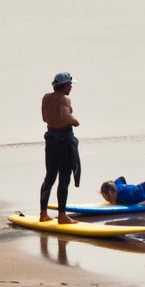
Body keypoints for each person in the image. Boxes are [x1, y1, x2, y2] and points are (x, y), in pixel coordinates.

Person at [38, 72, 81, 223]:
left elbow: (44, 118)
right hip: (64, 140)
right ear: (64, 85)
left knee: (49, 177)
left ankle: (43, 213)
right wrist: (75, 121)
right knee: (64, 178)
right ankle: (62, 215)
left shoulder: (46, 98)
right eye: (70, 84)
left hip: (50, 139)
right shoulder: (64, 99)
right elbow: (65, 116)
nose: (71, 87)